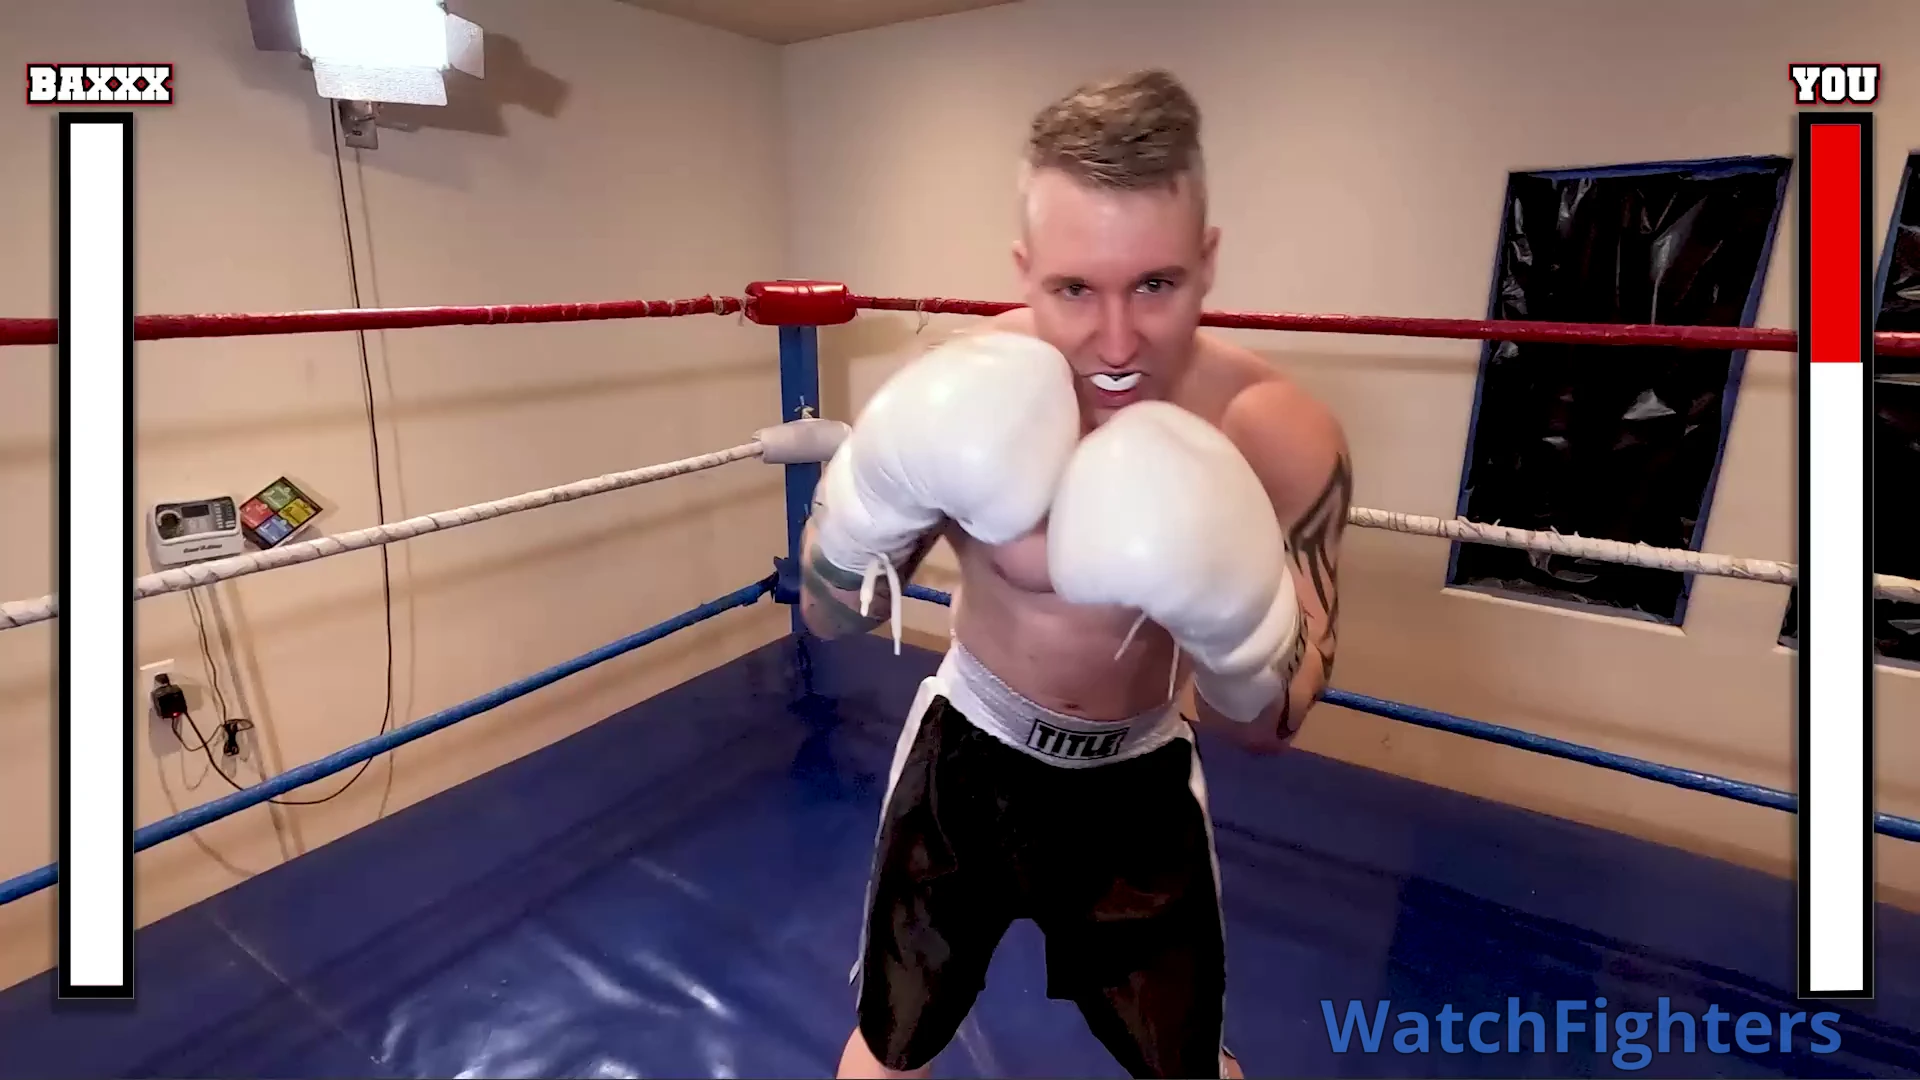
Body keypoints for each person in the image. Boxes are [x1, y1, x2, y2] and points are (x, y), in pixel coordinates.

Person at [799, 69, 1352, 1080]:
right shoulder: (958, 393)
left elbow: (1271, 727)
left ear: (1207, 261)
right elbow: (831, 619)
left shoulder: (1275, 435)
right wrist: (854, 521)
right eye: (1074, 290)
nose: (1116, 341)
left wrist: (1241, 638)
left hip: (1137, 784)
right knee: (886, 1054)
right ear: (1026, 270)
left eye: (1156, 285)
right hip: (967, 760)